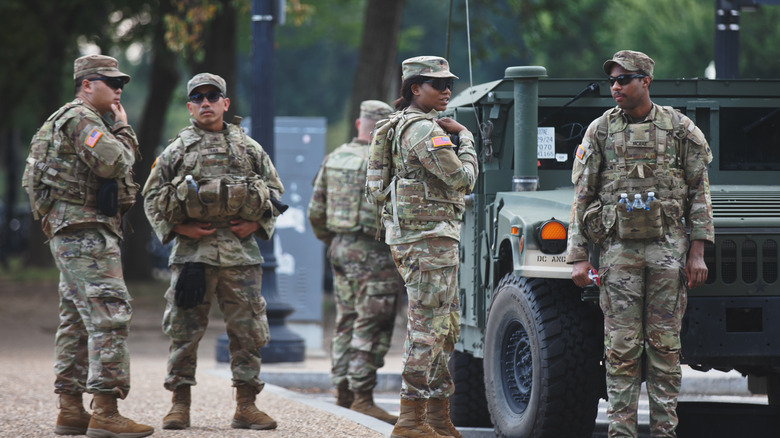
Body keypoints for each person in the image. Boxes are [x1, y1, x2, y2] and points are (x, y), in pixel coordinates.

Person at [567, 50, 714, 438]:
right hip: (618, 252)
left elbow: (699, 191)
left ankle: (664, 432)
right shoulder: (599, 131)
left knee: (665, 350)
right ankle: (622, 433)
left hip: (668, 250)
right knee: (620, 350)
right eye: (612, 80)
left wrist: (697, 251)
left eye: (624, 79)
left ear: (645, 81)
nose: (615, 86)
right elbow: (582, 195)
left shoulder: (679, 128)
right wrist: (578, 257)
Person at [142, 73, 284, 431]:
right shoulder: (177, 149)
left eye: (212, 96)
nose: (206, 103)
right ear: (190, 106)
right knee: (184, 332)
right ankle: (179, 404)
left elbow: (275, 192)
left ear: (225, 103)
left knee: (248, 332)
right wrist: (176, 228)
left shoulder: (249, 147)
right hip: (193, 255)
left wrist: (257, 224)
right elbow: (151, 197)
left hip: (241, 256)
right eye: (198, 98)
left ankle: (247, 405)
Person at [21, 54, 153, 437]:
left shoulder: (70, 118)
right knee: (110, 313)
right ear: (86, 85)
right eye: (111, 83)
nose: (118, 90)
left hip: (73, 230)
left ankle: (70, 409)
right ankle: (106, 411)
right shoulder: (82, 119)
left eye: (122, 84)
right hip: (84, 230)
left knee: (76, 320)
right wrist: (125, 130)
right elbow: (113, 164)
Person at [377, 56, 478, 438]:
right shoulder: (422, 131)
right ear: (414, 88)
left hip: (427, 240)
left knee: (444, 325)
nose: (446, 90)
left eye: (449, 83)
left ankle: (435, 414)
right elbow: (462, 179)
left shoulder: (413, 125)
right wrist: (465, 138)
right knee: (427, 329)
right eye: (437, 84)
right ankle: (409, 419)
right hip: (426, 243)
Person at [308, 100, 402, 424]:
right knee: (372, 322)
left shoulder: (334, 158)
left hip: (339, 248)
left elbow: (315, 212)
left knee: (346, 320)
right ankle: (363, 396)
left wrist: (334, 241)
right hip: (373, 251)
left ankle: (343, 392)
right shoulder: (383, 161)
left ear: (359, 124)